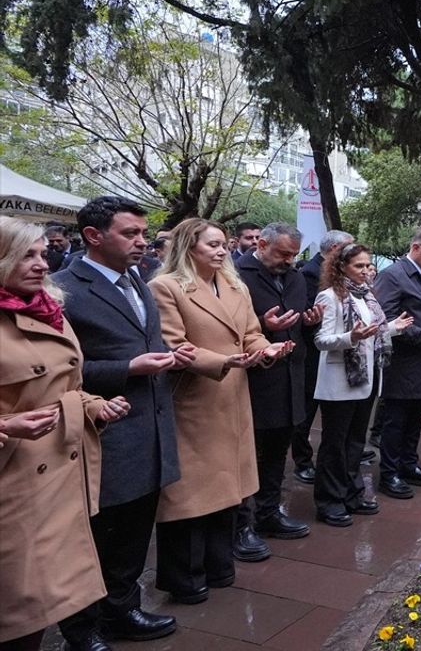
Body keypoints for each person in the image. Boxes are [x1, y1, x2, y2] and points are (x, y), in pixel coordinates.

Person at [52, 197, 192, 647]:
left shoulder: (138, 279)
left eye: (143, 232)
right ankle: (82, 629)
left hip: (150, 429)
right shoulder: (62, 289)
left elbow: (145, 341)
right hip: (104, 433)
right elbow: (63, 371)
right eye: (129, 233)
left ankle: (122, 609)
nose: (142, 241)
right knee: (94, 538)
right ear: (94, 236)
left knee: (134, 532)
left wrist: (173, 357)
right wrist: (128, 369)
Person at [0, 217, 129, 651]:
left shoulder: (49, 308)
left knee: (40, 609)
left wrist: (95, 405)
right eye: (26, 255)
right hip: (14, 484)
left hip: (61, 475)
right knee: (17, 611)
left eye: (42, 253)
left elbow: (67, 386)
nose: (41, 264)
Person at [148, 218, 293, 605]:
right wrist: (226, 361)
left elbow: (250, 332)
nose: (221, 250)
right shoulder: (165, 287)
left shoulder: (234, 284)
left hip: (233, 397)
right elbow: (173, 345)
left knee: (228, 486)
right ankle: (184, 576)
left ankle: (219, 564)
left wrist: (267, 349)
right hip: (194, 401)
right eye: (211, 244)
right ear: (187, 247)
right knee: (190, 495)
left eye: (222, 244)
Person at [233, 223, 319, 560]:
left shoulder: (296, 277)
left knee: (276, 452)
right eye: (283, 253)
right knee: (247, 455)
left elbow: (297, 319)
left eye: (294, 255)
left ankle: (269, 512)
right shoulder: (238, 274)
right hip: (254, 378)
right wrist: (263, 325)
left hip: (290, 377)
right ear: (262, 243)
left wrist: (309, 322)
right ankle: (242, 525)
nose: (289, 261)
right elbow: (228, 324)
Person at [313, 244, 414, 525]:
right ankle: (329, 501)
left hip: (367, 379)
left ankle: (351, 494)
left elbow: (373, 334)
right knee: (335, 443)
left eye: (368, 265)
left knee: (356, 441)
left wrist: (393, 328)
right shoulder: (329, 295)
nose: (366, 271)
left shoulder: (367, 295)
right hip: (340, 381)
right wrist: (351, 337)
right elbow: (321, 340)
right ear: (341, 266)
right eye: (359, 266)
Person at [372, 226, 421, 500]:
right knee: (396, 420)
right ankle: (389, 473)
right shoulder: (393, 276)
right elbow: (386, 318)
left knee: (415, 418)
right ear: (415, 247)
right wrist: (420, 335)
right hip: (403, 363)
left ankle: (408, 464)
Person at [291, 229, 352, 485]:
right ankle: (302, 461)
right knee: (306, 411)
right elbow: (306, 314)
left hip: (336, 350)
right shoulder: (309, 273)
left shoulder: (345, 277)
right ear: (335, 249)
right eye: (349, 249)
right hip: (313, 353)